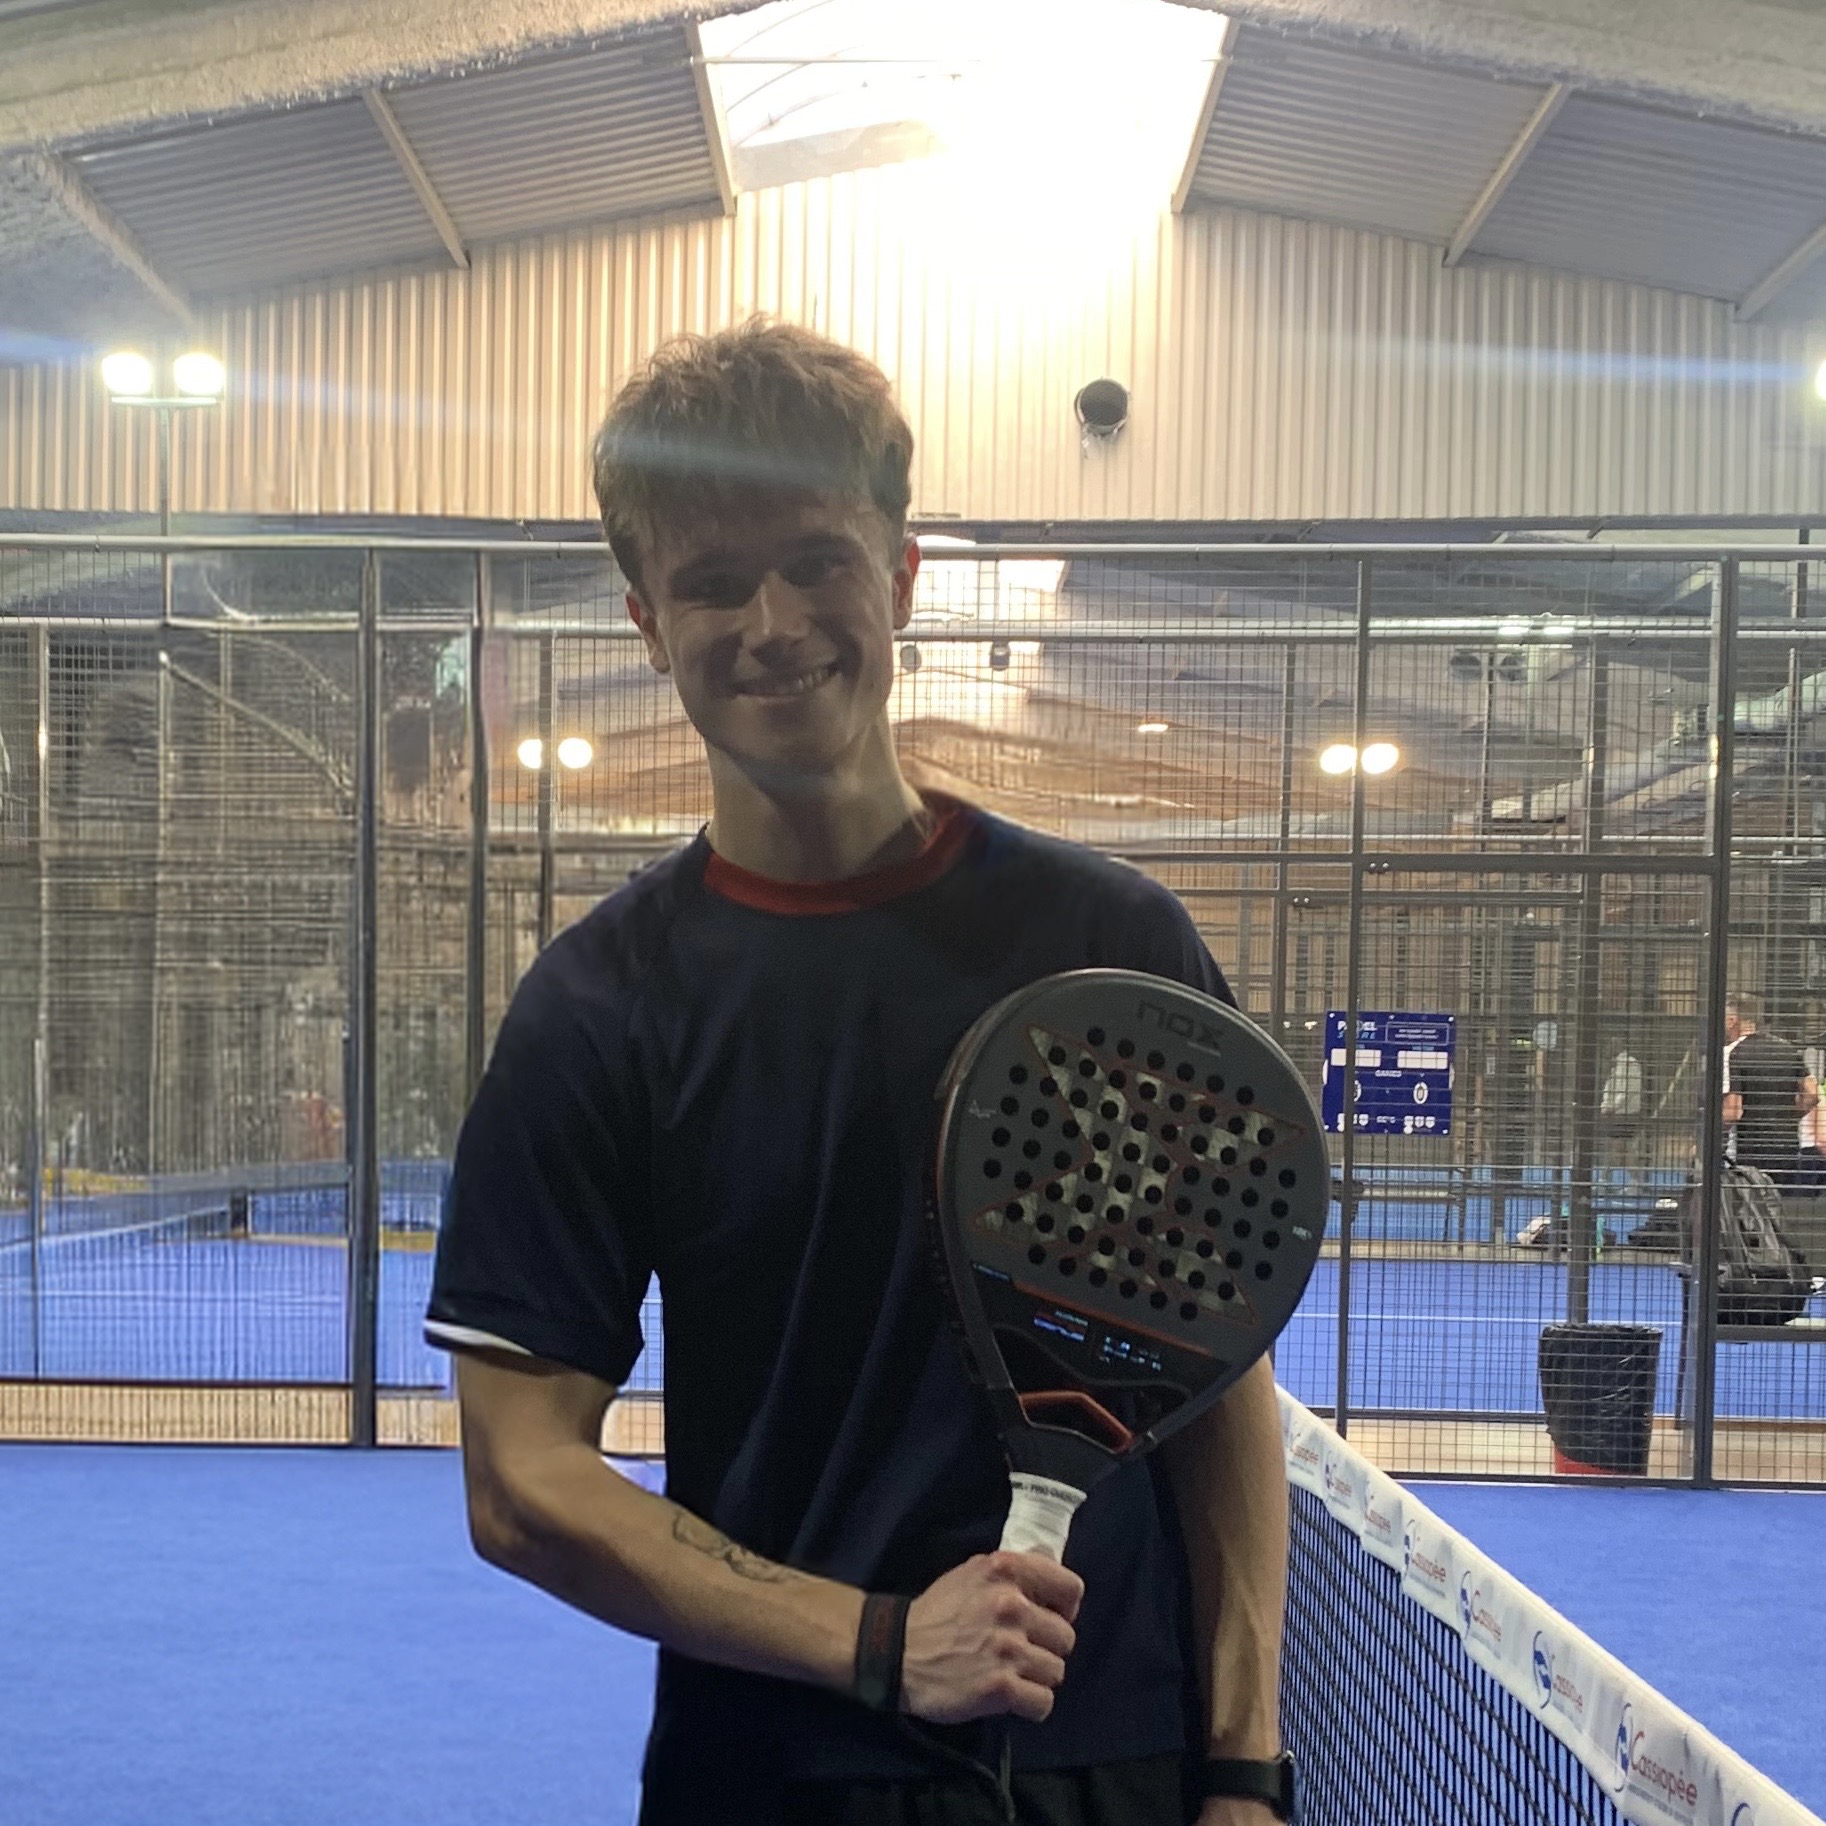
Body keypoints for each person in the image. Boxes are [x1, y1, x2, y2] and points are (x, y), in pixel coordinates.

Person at [424, 322, 1290, 1826]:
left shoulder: (1108, 941)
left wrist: (1242, 1769)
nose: (771, 623)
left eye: (815, 561)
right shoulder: (595, 1006)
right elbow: (519, 1478)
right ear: (646, 621)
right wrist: (882, 1642)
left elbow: (1216, 1381)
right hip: (768, 1778)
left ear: (896, 575)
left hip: (1108, 1773)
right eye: (711, 581)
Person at [1722, 993, 1818, 1191]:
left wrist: (1708, 1136)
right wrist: (1787, 1117)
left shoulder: (1731, 1053)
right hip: (1786, 1148)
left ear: (1732, 1021)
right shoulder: (1788, 1049)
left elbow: (1733, 1112)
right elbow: (1812, 1094)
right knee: (1779, 1202)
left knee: (1747, 1204)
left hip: (1747, 1152)